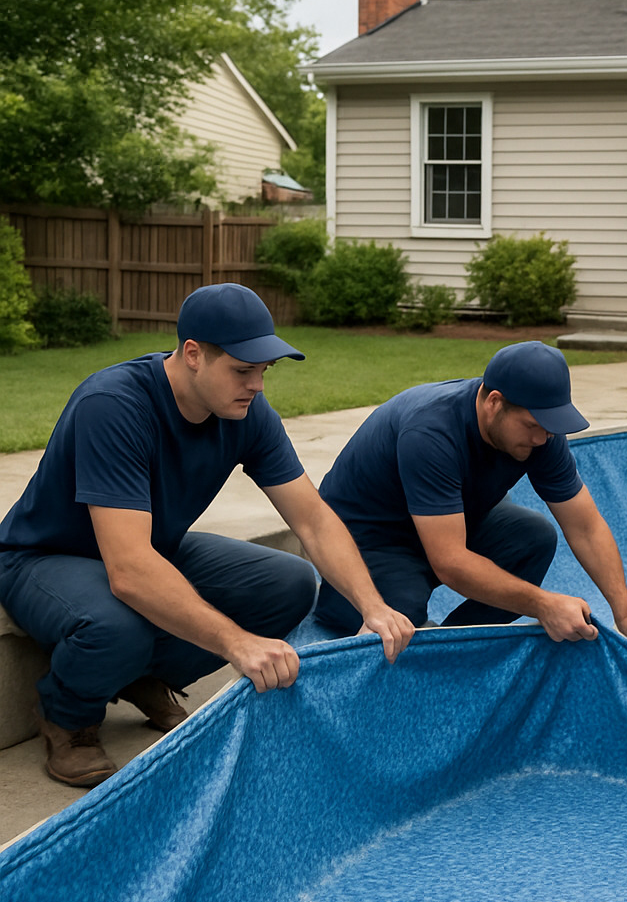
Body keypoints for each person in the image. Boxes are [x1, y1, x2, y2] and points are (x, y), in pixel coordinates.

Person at [0, 284, 415, 788]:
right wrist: (237, 644)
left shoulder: (245, 413)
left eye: (265, 370)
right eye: (244, 370)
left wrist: (372, 606)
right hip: (43, 557)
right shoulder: (113, 404)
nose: (257, 385)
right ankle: (66, 715)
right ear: (193, 355)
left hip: (152, 546)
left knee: (289, 583)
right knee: (117, 627)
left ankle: (135, 674)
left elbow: (313, 519)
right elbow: (129, 571)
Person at [312, 342, 627, 660]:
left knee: (533, 538)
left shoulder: (541, 431)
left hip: (444, 523)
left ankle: (457, 643)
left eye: (549, 427)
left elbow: (585, 527)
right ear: (494, 402)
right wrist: (542, 605)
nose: (542, 438)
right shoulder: (431, 431)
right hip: (367, 539)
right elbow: (449, 563)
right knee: (398, 620)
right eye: (532, 425)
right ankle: (352, 607)